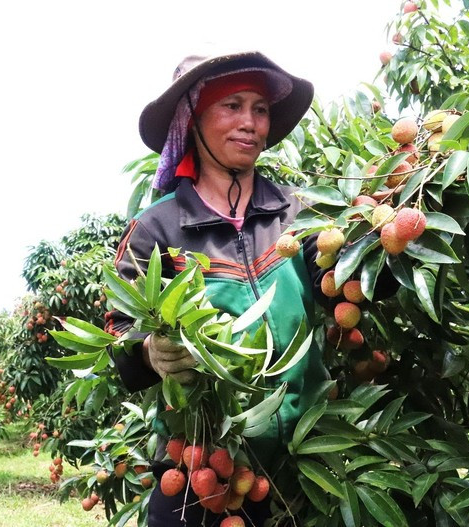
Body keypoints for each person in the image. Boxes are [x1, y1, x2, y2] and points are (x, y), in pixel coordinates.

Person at [105, 50, 397, 527]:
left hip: (306, 465)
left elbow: (346, 286)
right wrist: (150, 353)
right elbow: (119, 334)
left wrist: (386, 239)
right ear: (192, 120)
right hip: (205, 473)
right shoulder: (157, 230)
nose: (250, 123)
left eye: (260, 109)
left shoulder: (297, 213)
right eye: (232, 106)